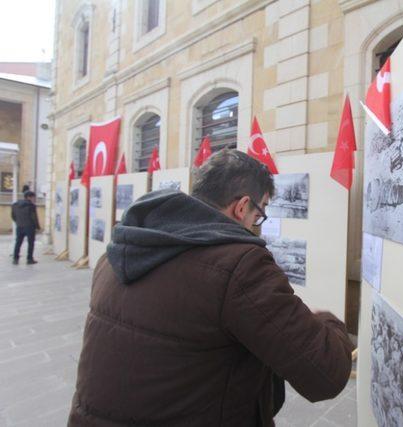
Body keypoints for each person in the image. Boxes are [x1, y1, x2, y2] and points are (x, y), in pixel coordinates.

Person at [68, 149, 355, 426]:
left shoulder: (119, 250)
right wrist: (325, 320)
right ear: (242, 207)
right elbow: (326, 374)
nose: (257, 224)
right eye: (259, 214)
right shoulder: (239, 265)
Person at [11, 190, 40, 265]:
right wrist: (37, 227)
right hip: (30, 226)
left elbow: (13, 216)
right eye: (33, 197)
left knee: (18, 242)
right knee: (31, 243)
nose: (34, 199)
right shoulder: (31, 206)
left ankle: (15, 258)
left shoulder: (15, 205)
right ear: (29, 197)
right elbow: (34, 217)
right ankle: (29, 259)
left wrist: (18, 222)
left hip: (19, 226)